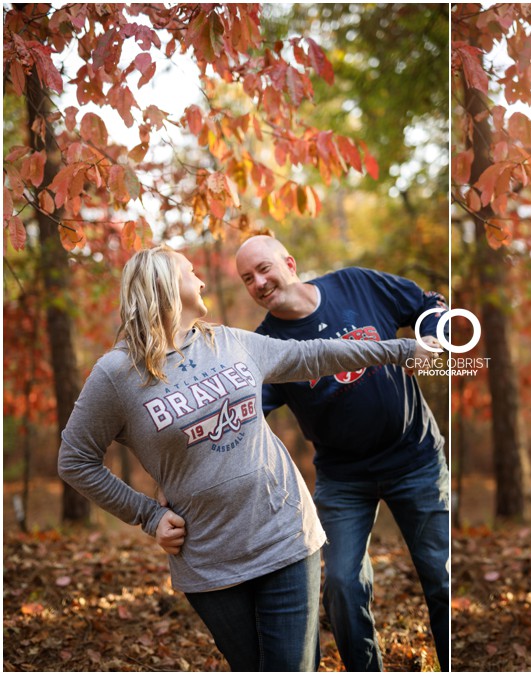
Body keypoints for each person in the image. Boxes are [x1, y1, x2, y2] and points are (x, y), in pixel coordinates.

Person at [58, 245, 435, 672]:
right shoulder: (115, 374)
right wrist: (147, 515)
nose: (201, 281)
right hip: (208, 557)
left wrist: (399, 350)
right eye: (191, 273)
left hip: (284, 532)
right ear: (165, 287)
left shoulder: (231, 342)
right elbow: (75, 460)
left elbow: (316, 355)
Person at [232, 234, 449, 672]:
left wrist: (432, 340)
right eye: (247, 279)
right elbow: (241, 412)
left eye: (264, 268)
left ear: (288, 262)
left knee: (441, 577)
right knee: (343, 588)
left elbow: (430, 304)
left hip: (416, 459)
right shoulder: (266, 349)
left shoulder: (355, 285)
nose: (258, 282)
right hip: (344, 479)